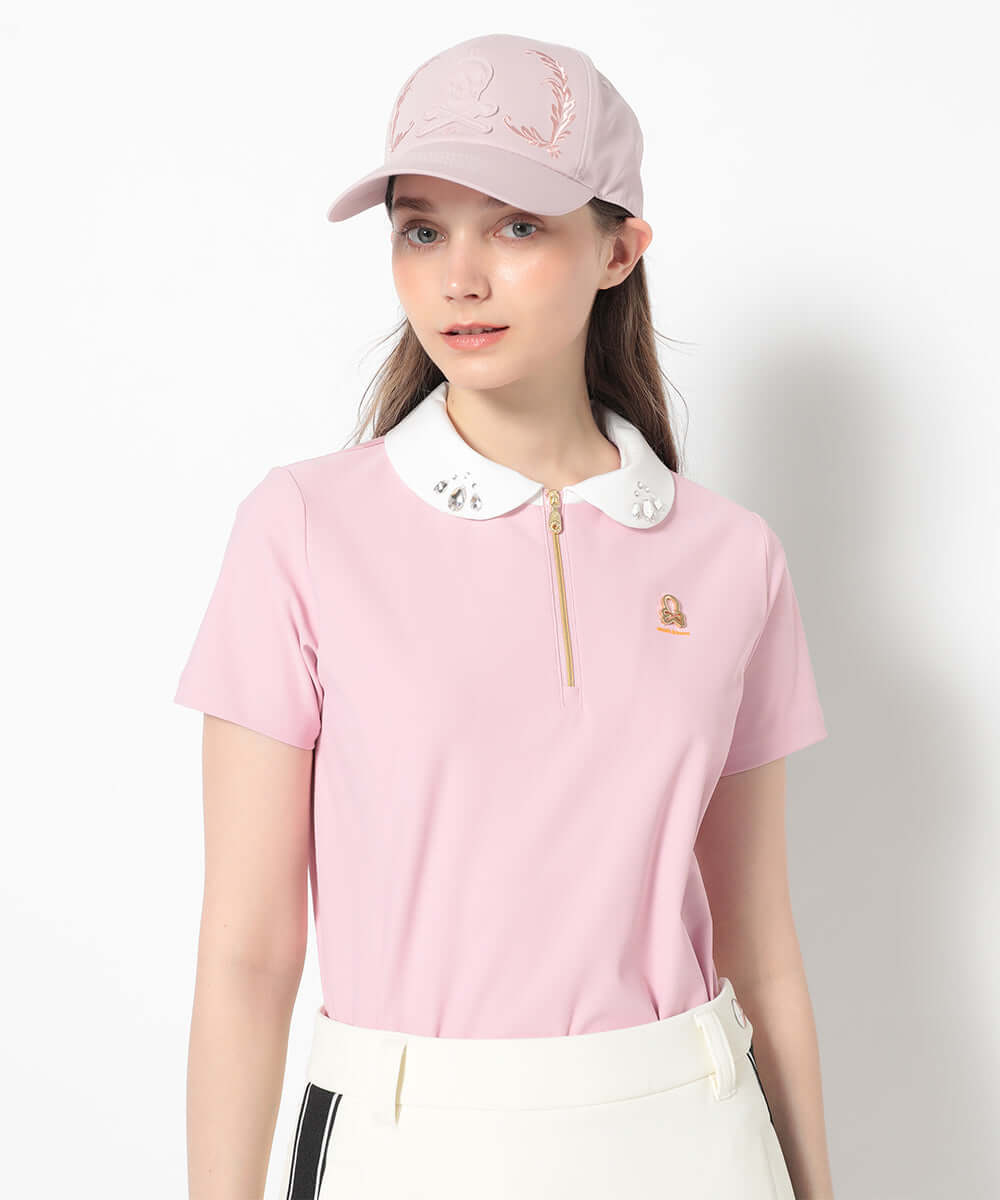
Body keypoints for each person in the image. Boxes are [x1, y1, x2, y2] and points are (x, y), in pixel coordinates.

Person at [174, 31, 835, 1200]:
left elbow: (760, 946)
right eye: (421, 230)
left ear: (618, 249)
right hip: (404, 1140)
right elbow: (247, 954)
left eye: (517, 227)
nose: (458, 278)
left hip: (694, 1133)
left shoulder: (732, 557)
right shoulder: (305, 528)